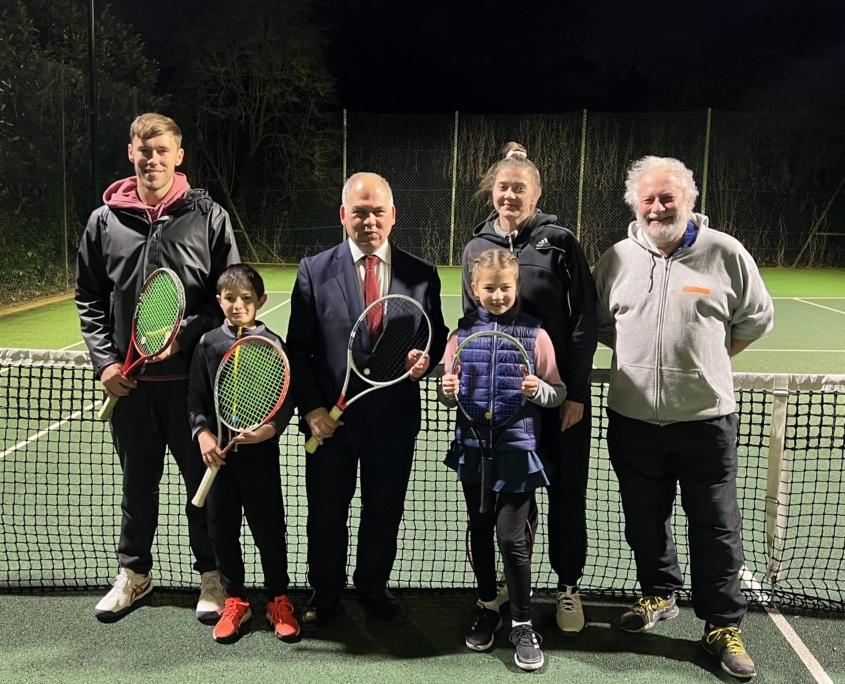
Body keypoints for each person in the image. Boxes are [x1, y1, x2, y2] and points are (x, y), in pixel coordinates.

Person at [593, 156, 774, 680]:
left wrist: (706, 363)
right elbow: (605, 325)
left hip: (705, 421)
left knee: (716, 526)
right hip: (632, 420)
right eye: (648, 198)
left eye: (667, 197)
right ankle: (658, 595)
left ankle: (722, 625)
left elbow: (756, 319)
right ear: (635, 204)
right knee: (643, 520)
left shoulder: (726, 254)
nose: (657, 207)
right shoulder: (615, 259)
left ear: (689, 200)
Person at [76, 113, 239, 623]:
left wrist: (183, 334)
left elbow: (226, 300)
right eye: (144, 151)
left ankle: (210, 575)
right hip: (130, 388)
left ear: (178, 155)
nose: (153, 160)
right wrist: (105, 363)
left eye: (162, 150)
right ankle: (134, 574)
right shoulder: (104, 222)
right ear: (131, 153)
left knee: (201, 491)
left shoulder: (208, 216)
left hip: (193, 391)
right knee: (136, 487)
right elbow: (89, 297)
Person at [287, 172, 448, 630]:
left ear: (393, 216)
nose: (369, 220)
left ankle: (373, 587)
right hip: (330, 423)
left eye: (378, 210)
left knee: (384, 511)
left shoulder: (422, 274)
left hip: (393, 422)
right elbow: (300, 348)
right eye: (359, 211)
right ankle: (327, 590)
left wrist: (425, 359)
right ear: (344, 216)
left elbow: (431, 338)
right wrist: (313, 409)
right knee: (326, 513)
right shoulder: (313, 270)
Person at [461, 143, 597, 634]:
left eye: (520, 188)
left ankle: (567, 587)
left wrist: (575, 392)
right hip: (501, 410)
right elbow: (468, 321)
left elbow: (584, 320)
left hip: (557, 402)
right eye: (503, 187)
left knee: (566, 493)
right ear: (492, 192)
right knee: (497, 502)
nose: (510, 195)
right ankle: (499, 591)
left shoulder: (560, 241)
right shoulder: (475, 246)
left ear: (537, 194)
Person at [440, 249, 566, 671]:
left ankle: (523, 621)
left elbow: (557, 391)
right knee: (479, 531)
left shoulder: (537, 335)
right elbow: (447, 392)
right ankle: (488, 605)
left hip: (517, 452)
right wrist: (448, 389)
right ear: (475, 290)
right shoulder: (459, 337)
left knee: (511, 539)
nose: (497, 295)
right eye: (489, 288)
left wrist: (539, 391)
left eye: (505, 288)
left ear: (517, 288)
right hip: (474, 450)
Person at [187, 264, 299, 644]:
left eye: (246, 299)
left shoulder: (273, 345)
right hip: (219, 458)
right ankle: (236, 600)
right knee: (221, 531)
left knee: (269, 530)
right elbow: (196, 397)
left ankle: (278, 599)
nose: (238, 305)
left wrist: (268, 430)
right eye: (230, 299)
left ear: (260, 302)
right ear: (219, 301)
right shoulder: (207, 344)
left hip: (260, 457)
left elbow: (283, 401)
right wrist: (203, 433)